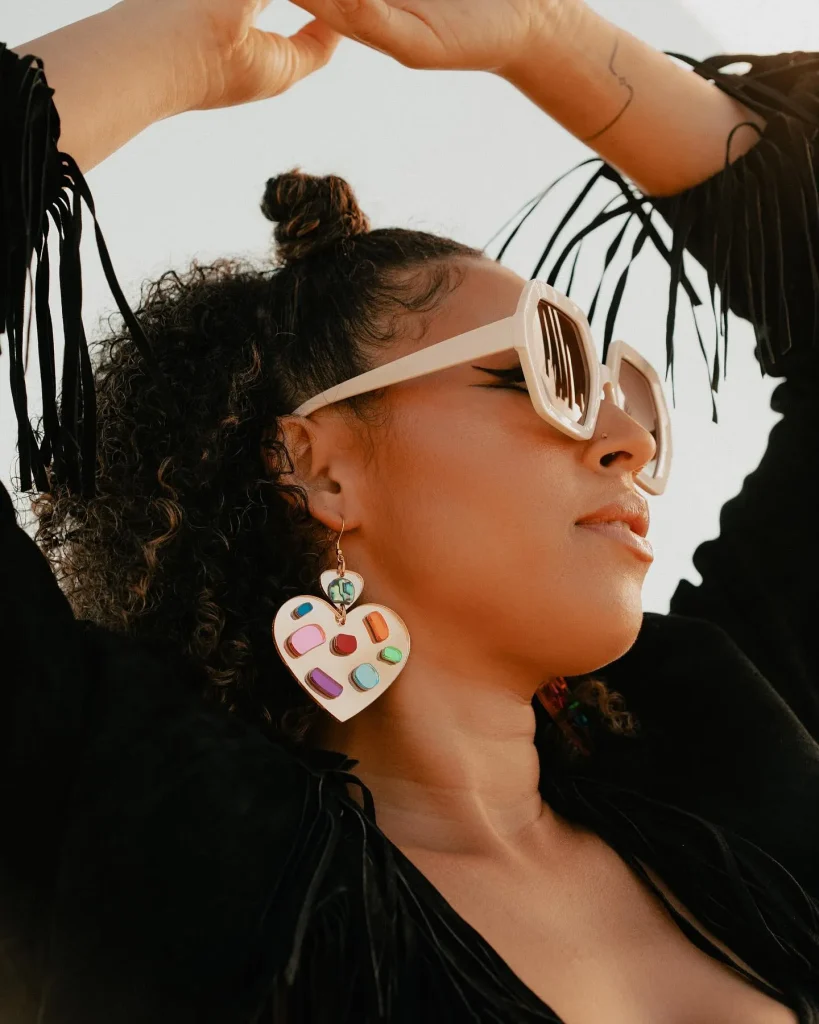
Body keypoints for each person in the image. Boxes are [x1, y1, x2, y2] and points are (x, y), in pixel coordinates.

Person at [1, 0, 817, 1021]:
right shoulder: (151, 839)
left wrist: (542, 36)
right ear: (320, 468)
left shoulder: (718, 756)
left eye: (624, 387)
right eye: (547, 369)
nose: (629, 438)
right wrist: (182, 41)